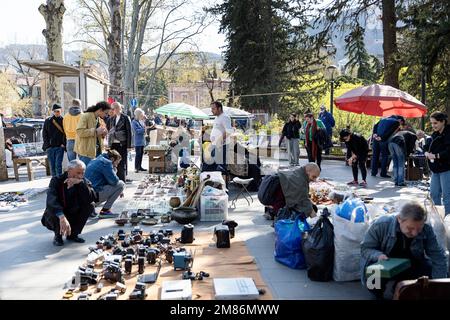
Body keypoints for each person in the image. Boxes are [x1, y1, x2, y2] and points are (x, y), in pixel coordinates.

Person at [361, 202, 447, 300]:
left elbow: (438, 256)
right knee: (373, 277)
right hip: (383, 263)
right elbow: (365, 249)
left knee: (433, 271)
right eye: (410, 228)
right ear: (399, 219)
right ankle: (377, 295)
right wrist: (378, 256)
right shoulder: (381, 225)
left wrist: (439, 285)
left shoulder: (427, 229)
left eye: (419, 229)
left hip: (410, 264)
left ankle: (401, 289)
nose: (414, 233)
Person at [42, 160, 98, 246]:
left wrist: (80, 183)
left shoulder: (83, 180)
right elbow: (51, 199)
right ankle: (58, 235)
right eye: (78, 173)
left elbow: (92, 198)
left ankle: (73, 234)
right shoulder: (56, 180)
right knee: (52, 209)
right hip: (60, 213)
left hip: (74, 212)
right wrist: (61, 216)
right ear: (69, 170)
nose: (80, 176)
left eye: (82, 173)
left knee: (90, 205)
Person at [85, 149, 125, 218]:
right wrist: (115, 170)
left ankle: (91, 207)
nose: (117, 165)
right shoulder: (106, 163)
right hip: (94, 195)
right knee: (121, 184)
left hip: (88, 195)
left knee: (118, 185)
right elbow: (114, 181)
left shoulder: (98, 159)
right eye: (117, 163)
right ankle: (105, 210)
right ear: (112, 159)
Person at [424, 112, 450, 215]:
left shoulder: (448, 133)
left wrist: (436, 156)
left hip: (446, 168)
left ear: (443, 122)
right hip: (436, 169)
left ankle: (448, 219)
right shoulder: (435, 134)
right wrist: (426, 151)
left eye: (435, 123)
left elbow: (448, 151)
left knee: (447, 196)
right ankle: (437, 217)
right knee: (434, 194)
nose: (433, 126)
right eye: (431, 123)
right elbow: (428, 146)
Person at [74, 101, 110, 166]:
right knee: (87, 173)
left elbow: (100, 135)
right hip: (86, 152)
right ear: (100, 110)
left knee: (94, 174)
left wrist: (104, 134)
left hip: (97, 152)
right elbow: (80, 132)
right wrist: (95, 131)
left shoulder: (100, 119)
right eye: (106, 113)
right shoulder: (85, 116)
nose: (106, 115)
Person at [107, 102, 132, 182]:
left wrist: (129, 146)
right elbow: (108, 130)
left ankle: (122, 180)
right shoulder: (111, 119)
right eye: (112, 109)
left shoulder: (125, 118)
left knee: (121, 163)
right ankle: (115, 180)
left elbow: (129, 132)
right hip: (113, 144)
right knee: (113, 162)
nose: (112, 110)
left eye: (113, 109)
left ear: (118, 108)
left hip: (122, 144)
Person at [43, 103, 66, 177]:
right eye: (55, 111)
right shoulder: (48, 121)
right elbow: (44, 134)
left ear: (61, 111)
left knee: (58, 165)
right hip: (50, 147)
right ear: (53, 111)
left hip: (60, 146)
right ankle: (54, 182)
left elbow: (66, 133)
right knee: (52, 166)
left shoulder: (63, 120)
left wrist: (63, 144)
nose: (57, 112)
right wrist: (47, 145)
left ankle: (59, 182)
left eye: (58, 111)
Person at [210, 101, 233, 170]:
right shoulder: (217, 117)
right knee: (215, 166)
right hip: (215, 145)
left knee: (221, 167)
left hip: (221, 146)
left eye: (213, 109)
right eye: (211, 109)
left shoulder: (225, 117)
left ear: (219, 108)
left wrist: (219, 141)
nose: (212, 111)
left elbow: (228, 131)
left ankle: (222, 179)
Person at [131, 108, 146, 173]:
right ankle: (136, 167)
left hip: (142, 141)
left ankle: (140, 166)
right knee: (138, 154)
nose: (142, 116)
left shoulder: (139, 121)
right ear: (138, 115)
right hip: (137, 141)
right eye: (141, 115)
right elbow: (136, 131)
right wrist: (144, 129)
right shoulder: (134, 122)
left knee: (141, 154)